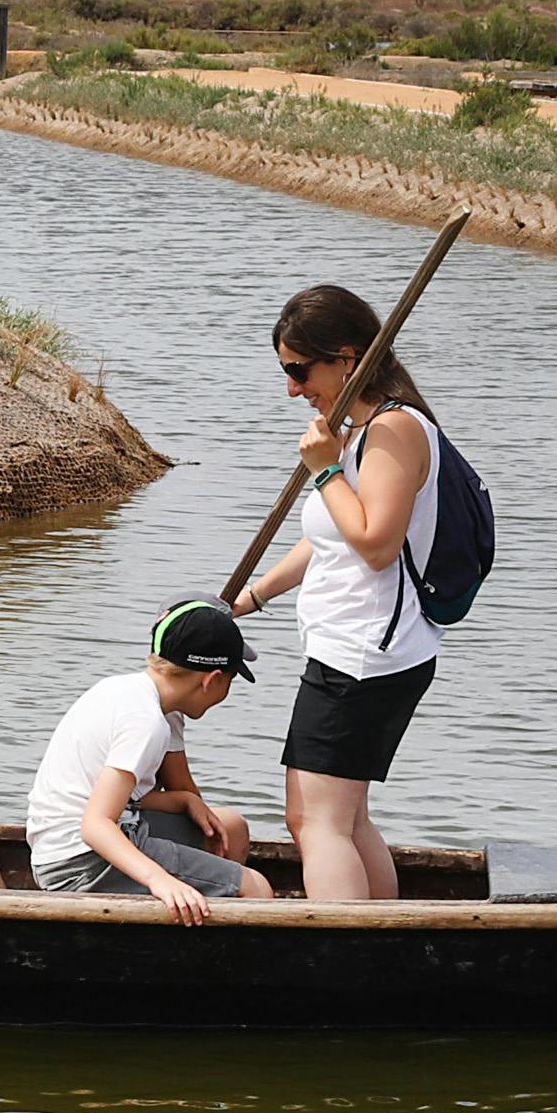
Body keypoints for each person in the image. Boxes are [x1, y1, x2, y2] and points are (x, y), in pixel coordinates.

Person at [228, 282, 442, 906]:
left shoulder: (394, 431)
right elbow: (331, 539)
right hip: (355, 650)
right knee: (344, 820)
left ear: (346, 359)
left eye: (299, 370)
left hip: (365, 657)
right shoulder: (357, 431)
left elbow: (375, 543)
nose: (293, 389)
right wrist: (252, 598)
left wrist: (324, 470)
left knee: (314, 822)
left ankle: (345, 953)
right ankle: (382, 941)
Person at [22, 601, 273, 921]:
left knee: (228, 833)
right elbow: (95, 825)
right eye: (230, 681)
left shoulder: (119, 689)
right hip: (80, 864)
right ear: (211, 680)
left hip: (60, 849)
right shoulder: (148, 723)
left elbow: (104, 796)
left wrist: (181, 800)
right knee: (257, 888)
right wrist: (161, 880)